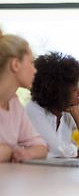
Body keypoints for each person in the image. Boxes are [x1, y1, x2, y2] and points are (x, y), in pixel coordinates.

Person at [25, 52, 79, 158]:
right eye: (74, 89)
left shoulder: (68, 113)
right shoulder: (33, 109)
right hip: (34, 172)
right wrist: (78, 150)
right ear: (58, 92)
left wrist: (78, 115)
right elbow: (57, 150)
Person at [0, 29, 48, 162]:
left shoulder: (14, 103)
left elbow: (41, 146)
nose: (35, 70)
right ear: (15, 64)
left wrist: (27, 154)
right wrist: (11, 151)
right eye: (31, 63)